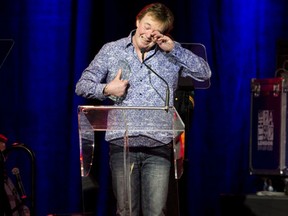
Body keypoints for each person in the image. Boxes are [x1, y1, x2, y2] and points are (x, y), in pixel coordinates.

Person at [75, 2, 211, 215]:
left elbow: (204, 73)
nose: (149, 34)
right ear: (137, 22)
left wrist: (175, 49)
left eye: (156, 31)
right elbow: (82, 85)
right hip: (122, 145)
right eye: (146, 26)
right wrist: (107, 88)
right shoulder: (112, 50)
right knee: (126, 210)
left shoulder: (171, 55)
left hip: (158, 146)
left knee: (156, 212)